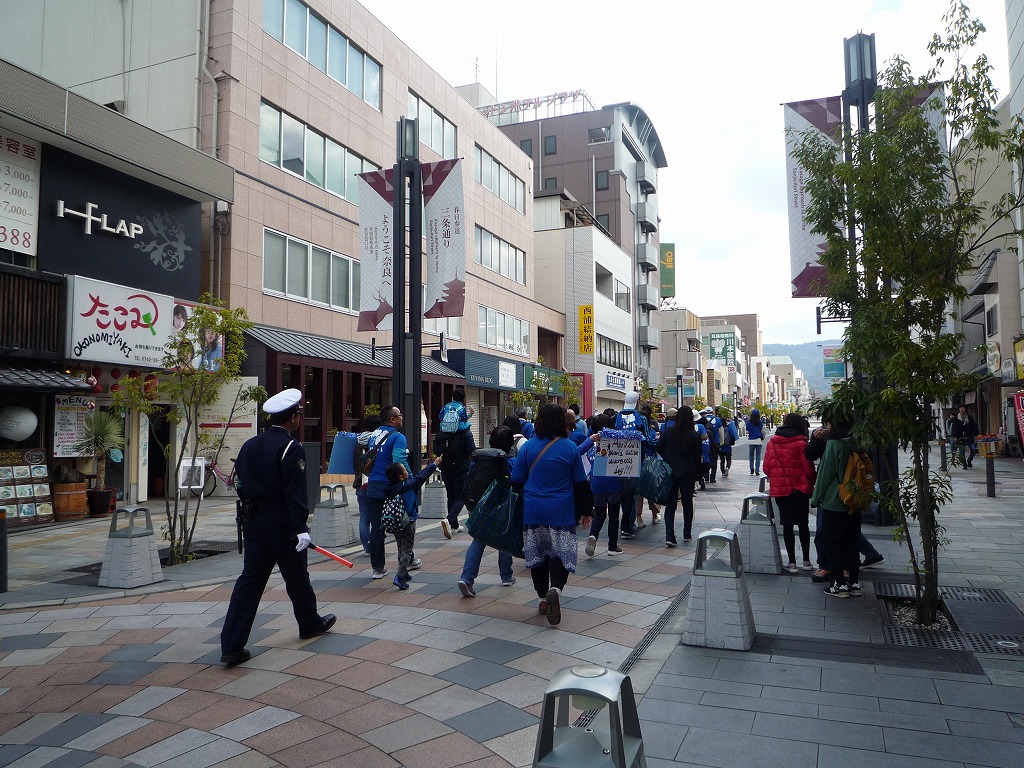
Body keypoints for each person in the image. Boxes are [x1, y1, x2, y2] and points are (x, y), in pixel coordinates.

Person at [220, 388, 335, 666]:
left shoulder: (250, 445)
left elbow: (239, 483)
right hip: (283, 526)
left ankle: (232, 644)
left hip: (254, 523)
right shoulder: (290, 448)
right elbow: (295, 493)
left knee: (249, 582)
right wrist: (301, 528)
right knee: (297, 577)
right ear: (293, 418)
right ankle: (309, 622)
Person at [511, 403, 590, 626]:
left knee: (538, 555)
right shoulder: (569, 448)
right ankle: (555, 589)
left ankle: (542, 599)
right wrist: (586, 511)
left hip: (534, 510)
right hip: (561, 511)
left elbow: (516, 479)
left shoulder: (528, 447)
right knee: (560, 554)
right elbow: (581, 483)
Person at [458, 426, 517, 596]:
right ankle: (506, 576)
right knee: (505, 538)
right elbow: (517, 480)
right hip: (501, 506)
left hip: (479, 506)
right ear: (510, 443)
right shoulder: (509, 461)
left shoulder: (479, 459)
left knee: (479, 540)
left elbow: (469, 482)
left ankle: (467, 578)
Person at [809, 417, 862, 598]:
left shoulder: (834, 444)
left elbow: (825, 474)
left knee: (833, 542)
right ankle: (854, 582)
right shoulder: (857, 442)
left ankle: (839, 585)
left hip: (835, 500)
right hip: (855, 499)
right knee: (851, 542)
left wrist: (816, 497)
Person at [764, 413, 816, 573]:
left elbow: (766, 468)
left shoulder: (772, 443)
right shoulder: (801, 443)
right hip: (800, 490)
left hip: (781, 491)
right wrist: (811, 482)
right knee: (803, 524)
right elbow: (808, 469)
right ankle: (806, 561)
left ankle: (792, 563)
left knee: (787, 525)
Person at [364, 405, 411, 579]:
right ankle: (408, 559)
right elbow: (399, 460)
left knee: (376, 528)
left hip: (373, 485)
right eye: (400, 415)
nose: (402, 418)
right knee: (402, 522)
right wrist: (409, 478)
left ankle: (378, 568)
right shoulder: (398, 437)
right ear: (392, 419)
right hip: (391, 486)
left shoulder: (374, 435)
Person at [383, 456, 439, 590]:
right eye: (405, 470)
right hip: (408, 522)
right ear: (401, 476)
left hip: (395, 522)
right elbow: (422, 475)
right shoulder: (410, 485)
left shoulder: (388, 488)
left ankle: (404, 572)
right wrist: (434, 464)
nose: (407, 471)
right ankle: (400, 576)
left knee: (400, 547)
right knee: (407, 549)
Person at [656, 405, 703, 545]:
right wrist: (698, 473)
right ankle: (687, 533)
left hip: (670, 471)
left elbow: (658, 447)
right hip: (688, 473)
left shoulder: (669, 431)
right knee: (687, 503)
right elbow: (698, 457)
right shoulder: (694, 435)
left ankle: (669, 535)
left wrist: (667, 458)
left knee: (670, 504)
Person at [615, 391, 657, 537]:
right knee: (632, 492)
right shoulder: (641, 418)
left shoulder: (617, 417)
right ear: (638, 402)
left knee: (623, 492)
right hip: (636, 459)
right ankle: (627, 525)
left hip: (617, 459)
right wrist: (657, 442)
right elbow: (648, 439)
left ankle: (626, 524)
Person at [436, 390, 477, 538]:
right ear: (463, 399)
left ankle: (453, 526)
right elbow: (472, 450)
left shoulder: (442, 428)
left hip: (445, 466)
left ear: (452, 397)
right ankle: (449, 519)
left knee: (451, 495)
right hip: (461, 467)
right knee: (461, 496)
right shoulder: (465, 431)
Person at [584, 413, 625, 556]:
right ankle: (612, 547)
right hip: (613, 483)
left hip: (596, 484)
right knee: (614, 516)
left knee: (600, 513)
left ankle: (593, 535)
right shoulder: (614, 441)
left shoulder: (590, 442)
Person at [353, 412, 382, 557]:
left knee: (364, 515)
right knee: (377, 515)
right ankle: (376, 544)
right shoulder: (377, 441)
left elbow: (355, 464)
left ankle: (367, 547)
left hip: (360, 482)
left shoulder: (358, 442)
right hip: (375, 482)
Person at [703, 407, 723, 483]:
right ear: (712, 412)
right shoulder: (717, 420)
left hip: (706, 442)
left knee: (705, 458)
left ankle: (706, 476)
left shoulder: (703, 419)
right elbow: (721, 431)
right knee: (714, 459)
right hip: (715, 443)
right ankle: (712, 478)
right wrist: (721, 442)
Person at [718, 407, 738, 478]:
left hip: (720, 447)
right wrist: (732, 442)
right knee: (728, 459)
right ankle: (727, 467)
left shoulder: (718, 429)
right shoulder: (729, 429)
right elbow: (732, 436)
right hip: (727, 447)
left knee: (722, 460)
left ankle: (723, 472)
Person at [747, 409, 765, 475]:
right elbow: (762, 431)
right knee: (758, 456)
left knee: (751, 455)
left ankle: (751, 469)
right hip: (758, 440)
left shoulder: (749, 423)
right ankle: (757, 470)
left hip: (751, 441)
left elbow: (747, 430)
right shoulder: (760, 422)